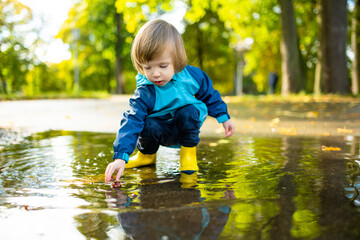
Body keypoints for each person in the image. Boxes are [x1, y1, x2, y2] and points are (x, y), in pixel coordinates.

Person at [105, 19, 235, 184]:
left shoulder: (191, 76)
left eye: (163, 66)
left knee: (188, 110)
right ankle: (147, 156)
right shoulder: (146, 91)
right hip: (160, 132)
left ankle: (188, 154)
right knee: (146, 122)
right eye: (148, 67)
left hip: (185, 130)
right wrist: (120, 157)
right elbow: (131, 120)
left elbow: (209, 94)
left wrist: (223, 116)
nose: (156, 74)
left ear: (176, 60)